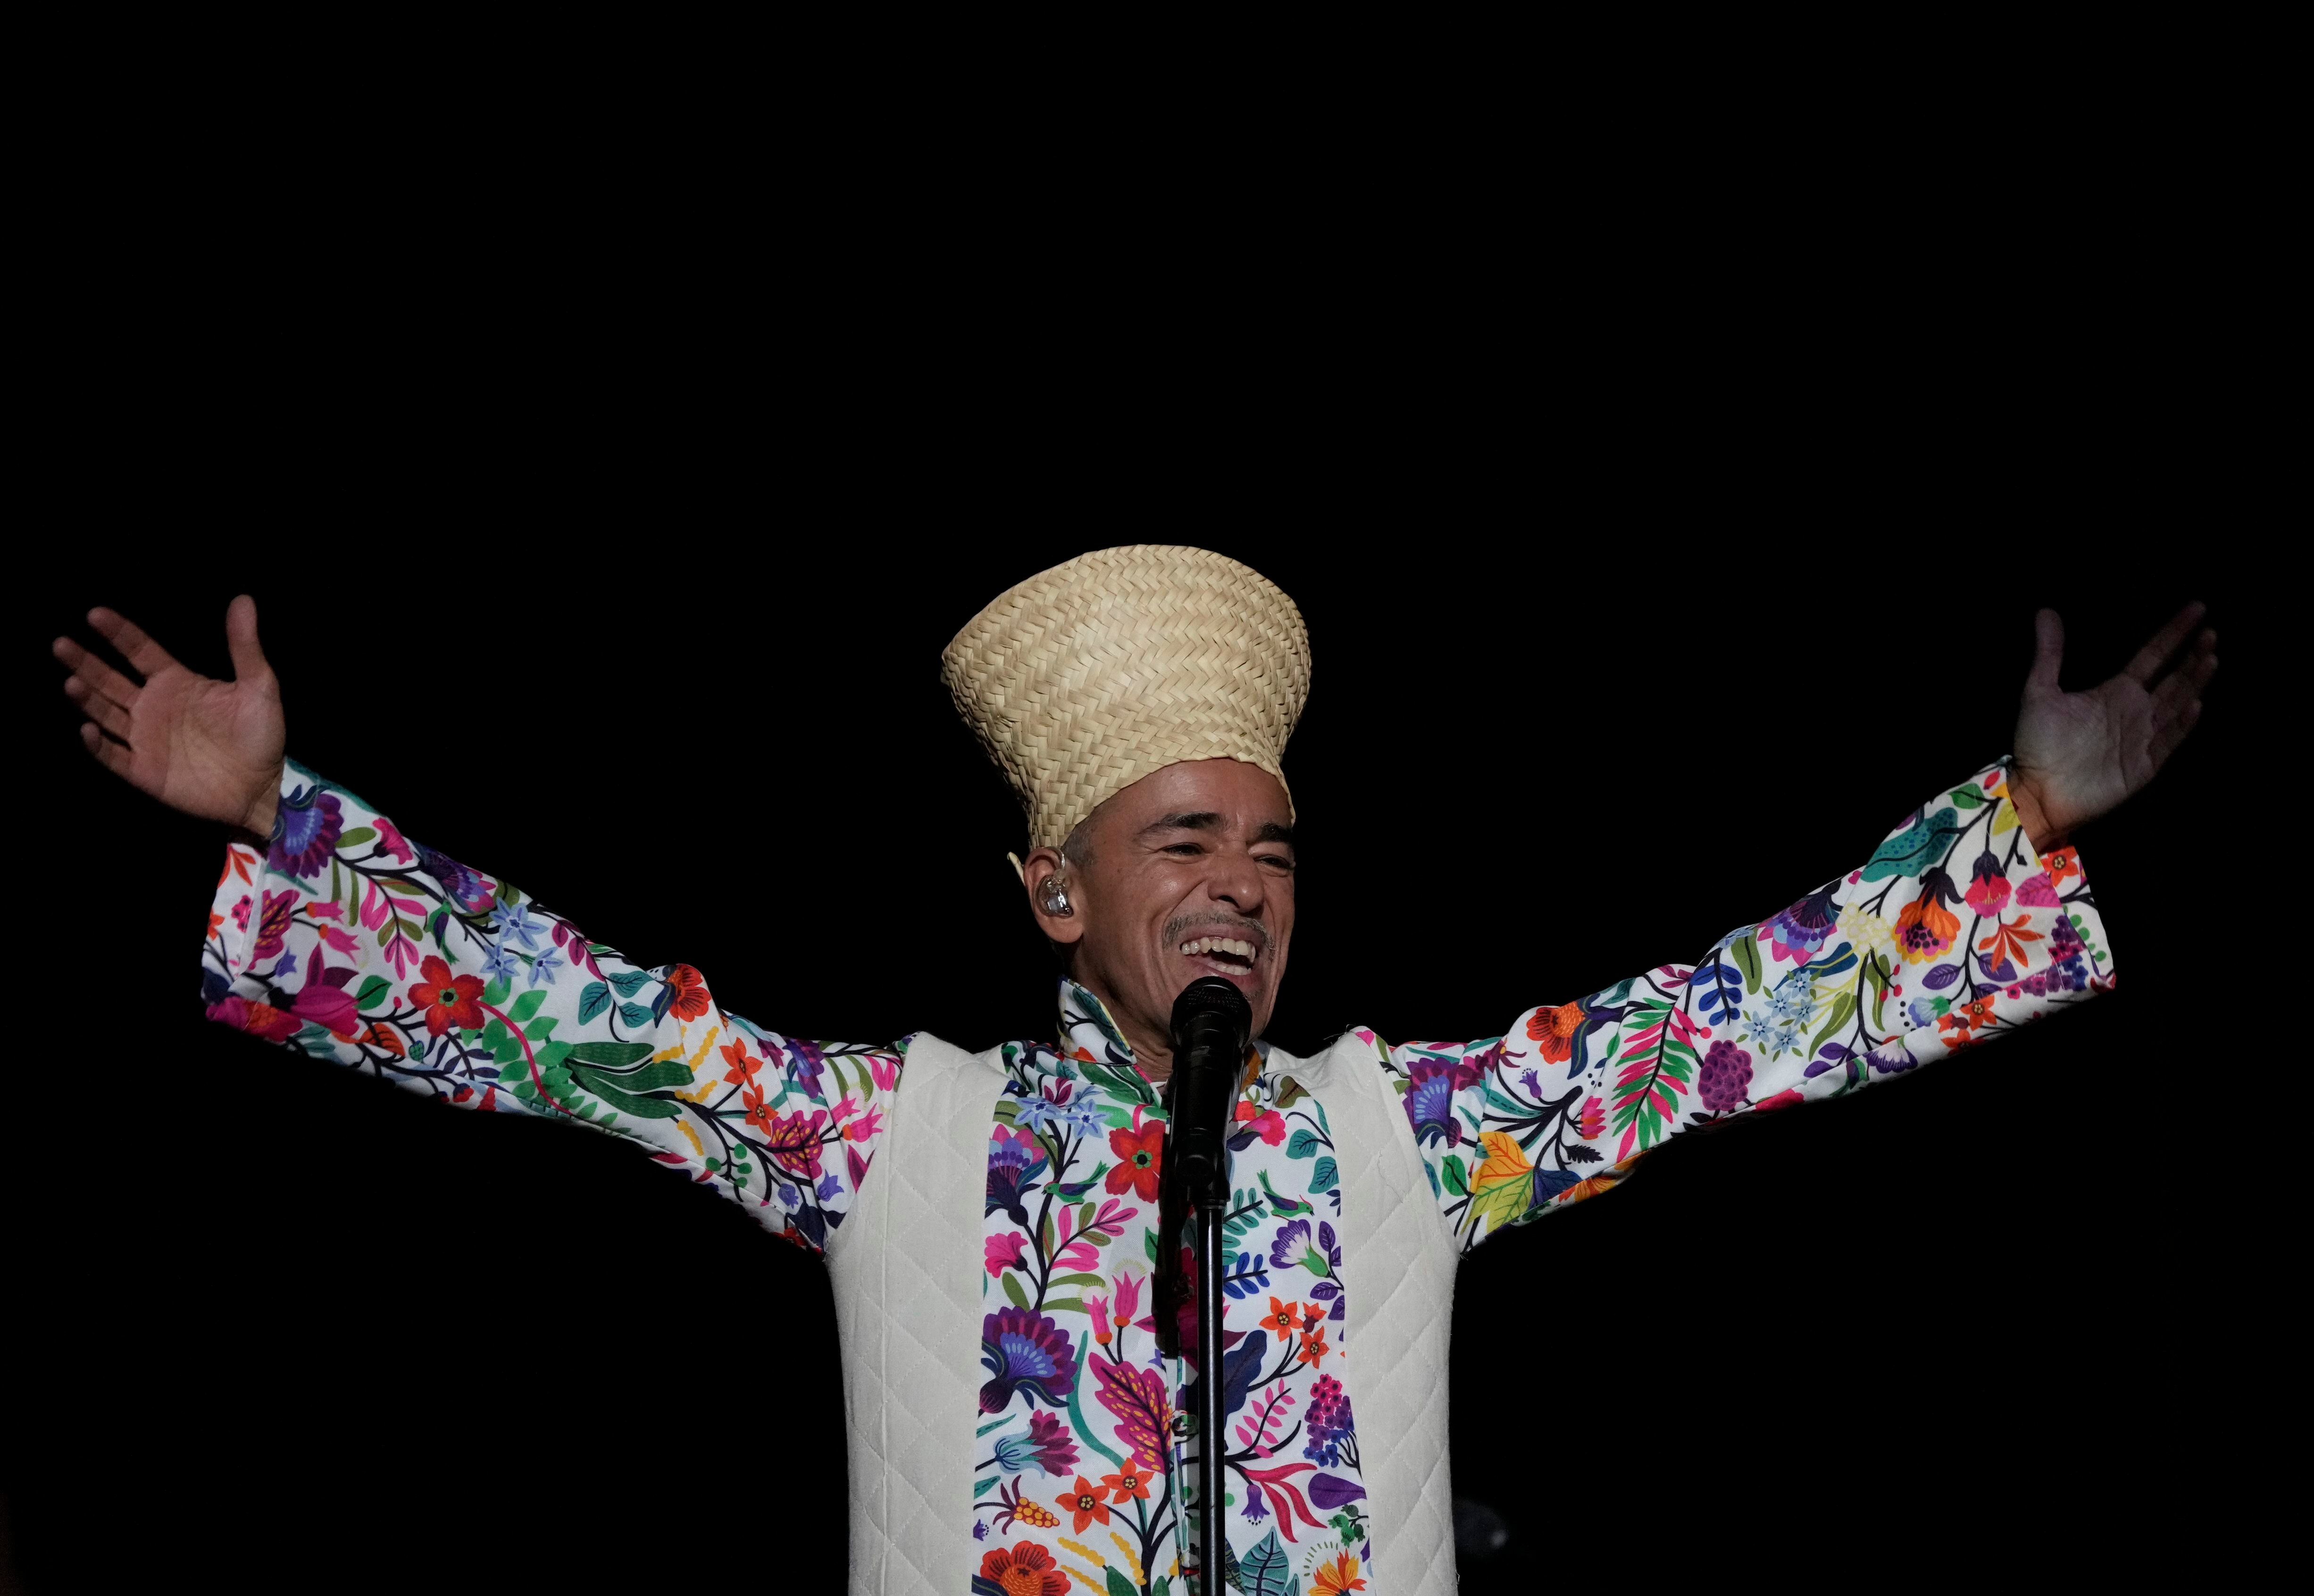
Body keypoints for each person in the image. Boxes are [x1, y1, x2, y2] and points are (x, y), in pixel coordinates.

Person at [50, 544, 2217, 1596]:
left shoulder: (1409, 1126)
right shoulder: (896, 1134)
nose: (1243, 889)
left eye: (1273, 847)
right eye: (1184, 841)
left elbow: (1717, 1026)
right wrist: (283, 816)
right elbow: (576, 1020)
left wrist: (2014, 822)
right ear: (1054, 890)